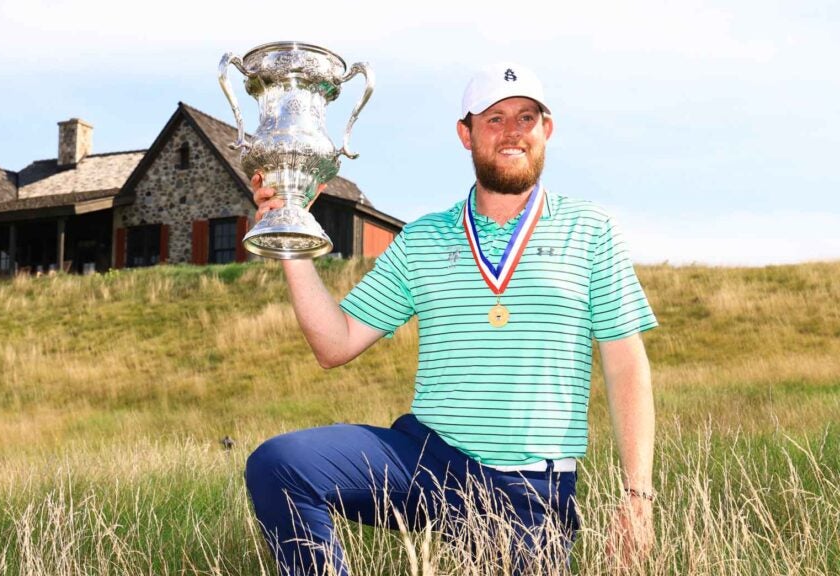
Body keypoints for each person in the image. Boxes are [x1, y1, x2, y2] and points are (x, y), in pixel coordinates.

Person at [245, 62, 657, 576]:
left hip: (529, 491)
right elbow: (336, 344)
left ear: (546, 130)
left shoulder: (591, 231)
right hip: (427, 460)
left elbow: (626, 368)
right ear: (466, 134)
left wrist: (637, 495)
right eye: (494, 119)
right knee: (280, 465)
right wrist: (292, 239)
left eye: (526, 118)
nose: (512, 132)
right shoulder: (423, 239)